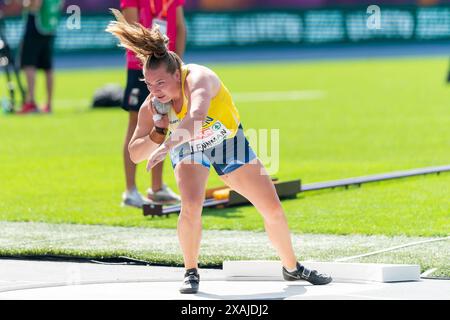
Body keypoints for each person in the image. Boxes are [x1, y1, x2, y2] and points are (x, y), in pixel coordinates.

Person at [106, 9, 332, 294]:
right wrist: (158, 131)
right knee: (190, 205)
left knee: (271, 208)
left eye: (161, 83)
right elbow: (135, 154)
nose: (155, 90)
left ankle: (292, 267)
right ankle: (190, 271)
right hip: (188, 145)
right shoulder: (153, 104)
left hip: (226, 140)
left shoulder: (198, 78)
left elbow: (197, 117)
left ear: (177, 74)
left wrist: (166, 144)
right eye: (149, 84)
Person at [120, 0, 186, 208]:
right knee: (136, 124)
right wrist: (152, 64)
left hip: (167, 69)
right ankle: (130, 190)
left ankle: (157, 188)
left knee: (164, 121)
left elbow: (180, 27)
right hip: (140, 68)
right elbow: (132, 31)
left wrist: (176, 64)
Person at [18, 0, 63, 114]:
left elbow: (35, 4)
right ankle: (48, 104)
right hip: (50, 26)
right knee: (47, 66)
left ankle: (31, 101)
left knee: (29, 64)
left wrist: (23, 4)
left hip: (36, 25)